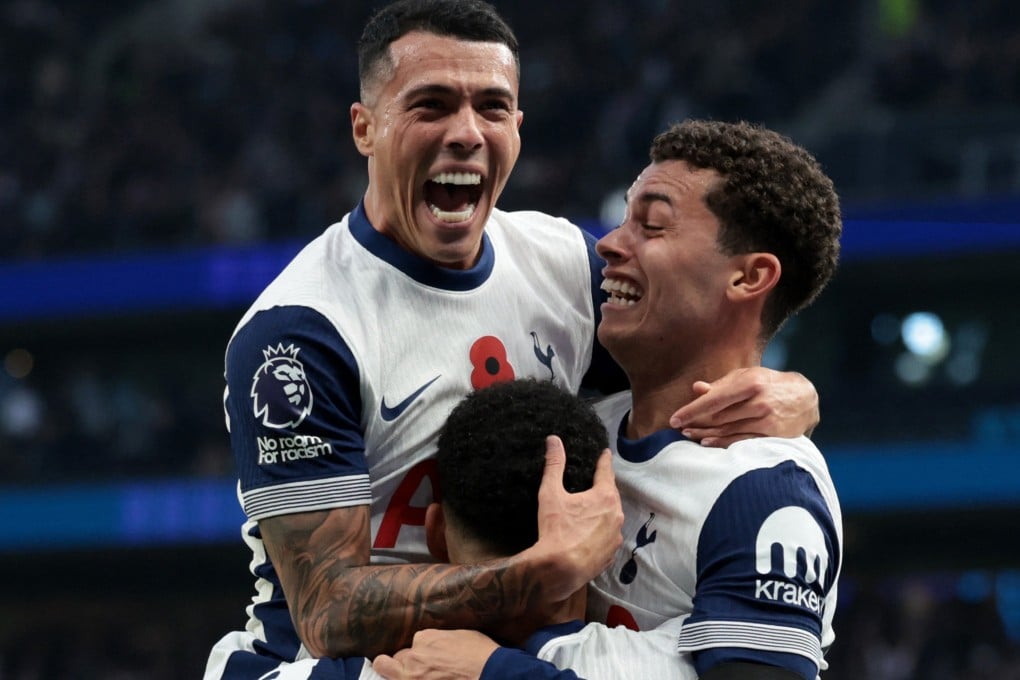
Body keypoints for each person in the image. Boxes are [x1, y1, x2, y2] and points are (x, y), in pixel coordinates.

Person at [203, 0, 822, 676]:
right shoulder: (302, 332)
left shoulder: (562, 263)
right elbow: (327, 609)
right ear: (365, 128)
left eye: (492, 108)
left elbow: (683, 356)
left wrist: (793, 394)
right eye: (432, 105)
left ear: (518, 129)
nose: (467, 132)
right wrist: (540, 572)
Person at [374, 120, 844, 680]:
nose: (611, 244)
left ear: (748, 277)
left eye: (653, 225)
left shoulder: (765, 490)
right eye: (624, 218)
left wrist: (498, 673)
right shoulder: (576, 427)